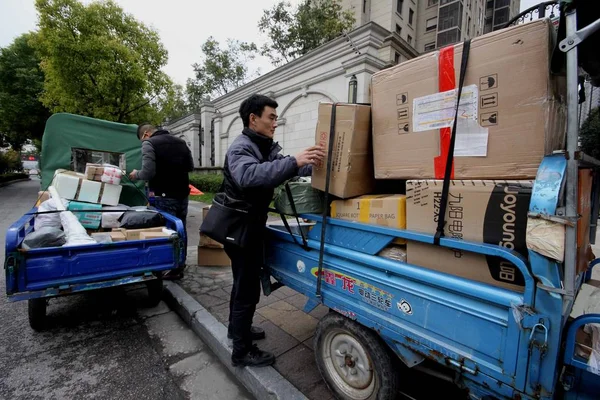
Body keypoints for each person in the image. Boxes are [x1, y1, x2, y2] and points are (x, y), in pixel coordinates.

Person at [221, 94, 325, 367]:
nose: (275, 123)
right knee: (246, 290)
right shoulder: (241, 148)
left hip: (247, 226)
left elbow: (284, 169)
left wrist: (311, 163)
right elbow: (249, 176)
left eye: (277, 118)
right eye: (271, 117)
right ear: (253, 119)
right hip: (241, 229)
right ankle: (241, 352)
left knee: (241, 283)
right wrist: (294, 161)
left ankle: (236, 329)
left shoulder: (262, 146)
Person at [130, 123, 194, 280]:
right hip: (182, 196)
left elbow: (148, 172)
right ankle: (180, 265)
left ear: (145, 134)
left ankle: (168, 267)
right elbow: (190, 166)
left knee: (166, 233)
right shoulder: (181, 142)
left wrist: (135, 174)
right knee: (181, 230)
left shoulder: (149, 143)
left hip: (162, 196)